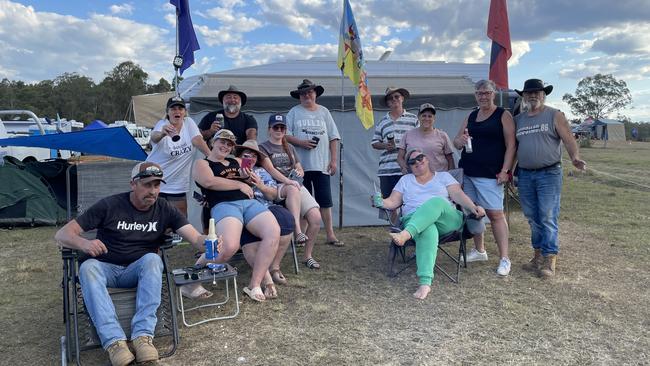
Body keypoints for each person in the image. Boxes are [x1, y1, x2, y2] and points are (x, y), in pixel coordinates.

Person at [54, 162, 209, 366]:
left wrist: (208, 241)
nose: (152, 191)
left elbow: (195, 238)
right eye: (147, 185)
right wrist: (84, 243)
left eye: (156, 185)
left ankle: (143, 337)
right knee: (88, 267)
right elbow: (62, 234)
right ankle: (115, 343)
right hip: (105, 268)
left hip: (137, 271)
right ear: (133, 184)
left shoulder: (164, 209)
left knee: (153, 260)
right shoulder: (110, 205)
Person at [377, 149, 485, 300]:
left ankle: (405, 234)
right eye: (412, 161)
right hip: (415, 219)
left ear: (427, 159)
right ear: (408, 166)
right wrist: (380, 201)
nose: (417, 162)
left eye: (420, 157)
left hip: (447, 220)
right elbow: (393, 202)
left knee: (436, 201)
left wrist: (473, 208)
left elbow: (459, 195)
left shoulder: (444, 176)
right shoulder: (405, 180)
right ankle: (425, 283)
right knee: (427, 228)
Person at [192, 129, 280, 302]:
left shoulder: (236, 160)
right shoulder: (202, 164)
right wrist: (238, 185)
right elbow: (208, 181)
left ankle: (254, 285)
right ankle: (193, 277)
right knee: (228, 248)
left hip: (249, 203)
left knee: (273, 232)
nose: (225, 146)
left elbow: (250, 173)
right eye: (222, 142)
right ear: (212, 143)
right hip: (224, 205)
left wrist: (250, 179)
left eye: (229, 144)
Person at [514, 78, 586, 279]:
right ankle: (537, 256)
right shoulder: (518, 120)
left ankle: (549, 259)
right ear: (524, 96)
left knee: (547, 216)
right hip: (526, 174)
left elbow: (569, 139)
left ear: (544, 94)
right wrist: (508, 171)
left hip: (549, 173)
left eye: (537, 92)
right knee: (531, 216)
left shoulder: (554, 115)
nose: (533, 95)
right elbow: (514, 148)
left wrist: (575, 157)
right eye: (529, 93)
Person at [453, 79, 516, 276]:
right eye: (479, 93)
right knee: (474, 212)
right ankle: (480, 250)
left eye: (487, 93)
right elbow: (456, 142)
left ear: (494, 94)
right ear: (475, 95)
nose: (483, 96)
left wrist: (506, 170)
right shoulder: (471, 115)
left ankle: (505, 258)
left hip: (490, 174)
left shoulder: (503, 114)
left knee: (495, 214)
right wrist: (460, 141)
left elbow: (512, 145)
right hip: (468, 172)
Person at [285, 79, 344, 248]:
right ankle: (301, 237)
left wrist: (333, 161)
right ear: (299, 97)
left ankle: (330, 234)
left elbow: (334, 137)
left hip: (321, 165)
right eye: (303, 93)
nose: (306, 95)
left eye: (310, 92)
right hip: (300, 167)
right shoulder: (294, 112)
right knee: (302, 202)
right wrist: (301, 143)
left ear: (315, 94)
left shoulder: (324, 112)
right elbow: (285, 136)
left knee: (325, 202)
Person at [259, 114, 323, 269]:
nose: (279, 130)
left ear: (285, 130)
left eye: (282, 127)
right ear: (269, 129)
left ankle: (307, 256)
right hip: (275, 187)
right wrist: (288, 181)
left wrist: (299, 171)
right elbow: (270, 169)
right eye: (276, 127)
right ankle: (297, 230)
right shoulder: (263, 147)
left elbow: (298, 166)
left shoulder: (290, 147)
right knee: (293, 189)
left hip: (294, 184)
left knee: (316, 217)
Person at [235, 140, 296, 289]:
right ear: (240, 156)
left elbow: (273, 194)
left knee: (286, 220)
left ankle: (274, 266)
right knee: (249, 233)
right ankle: (265, 278)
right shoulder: (232, 170)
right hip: (244, 210)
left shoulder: (262, 171)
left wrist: (261, 186)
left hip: (266, 206)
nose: (251, 158)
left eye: (254, 156)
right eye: (247, 155)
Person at [147, 96, 210, 217]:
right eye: (173, 109)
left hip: (178, 184)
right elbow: (153, 137)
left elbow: (197, 140)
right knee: (154, 220)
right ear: (167, 112)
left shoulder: (189, 123)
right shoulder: (162, 124)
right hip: (155, 180)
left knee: (180, 221)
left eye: (180, 108)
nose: (177, 111)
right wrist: (162, 134)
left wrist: (211, 157)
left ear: (185, 112)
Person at [371, 86, 419, 199]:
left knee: (409, 201)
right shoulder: (383, 121)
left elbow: (420, 140)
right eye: (390, 98)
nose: (394, 99)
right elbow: (374, 142)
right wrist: (385, 145)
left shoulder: (414, 119)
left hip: (408, 168)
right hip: (387, 170)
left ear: (402, 98)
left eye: (396, 96)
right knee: (389, 204)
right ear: (388, 103)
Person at [397, 103, 454, 174]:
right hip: (416, 178)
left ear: (434, 119)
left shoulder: (442, 135)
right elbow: (400, 157)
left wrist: (450, 176)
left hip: (439, 177)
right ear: (418, 117)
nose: (427, 119)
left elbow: (450, 159)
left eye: (430, 116)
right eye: (424, 116)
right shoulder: (408, 134)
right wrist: (403, 167)